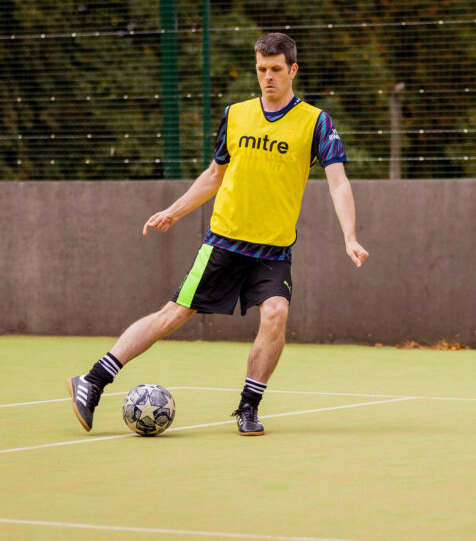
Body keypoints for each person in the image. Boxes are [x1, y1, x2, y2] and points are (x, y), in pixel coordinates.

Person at [68, 32, 368, 436]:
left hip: (273, 250)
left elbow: (338, 182)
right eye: (261, 69)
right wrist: (173, 212)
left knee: (277, 313)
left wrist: (349, 235)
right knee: (174, 313)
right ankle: (93, 380)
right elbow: (214, 175)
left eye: (276, 69)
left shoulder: (316, 122)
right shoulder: (236, 114)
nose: (268, 77)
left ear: (292, 70)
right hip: (225, 241)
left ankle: (248, 406)